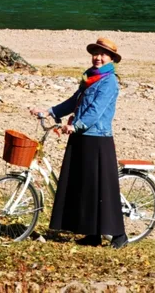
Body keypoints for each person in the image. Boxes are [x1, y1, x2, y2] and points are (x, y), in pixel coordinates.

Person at [31, 36, 128, 249]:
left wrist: (77, 125)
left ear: (111, 58)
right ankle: (92, 234)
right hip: (81, 137)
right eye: (95, 53)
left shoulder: (109, 82)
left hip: (97, 139)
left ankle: (119, 235)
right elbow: (74, 101)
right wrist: (49, 111)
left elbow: (97, 110)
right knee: (84, 186)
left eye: (103, 54)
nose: (98, 57)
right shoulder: (89, 78)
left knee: (102, 188)